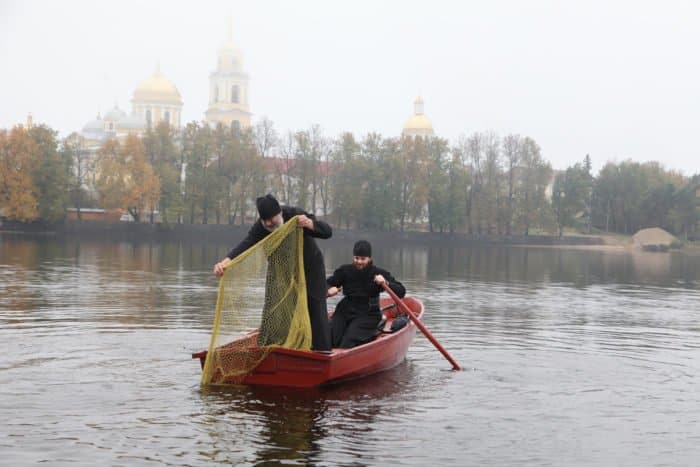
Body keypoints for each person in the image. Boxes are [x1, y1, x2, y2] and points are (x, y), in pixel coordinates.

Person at [213, 194, 332, 351]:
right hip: (283, 272)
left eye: (272, 219)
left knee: (315, 307)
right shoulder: (262, 227)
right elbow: (247, 243)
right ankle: (274, 349)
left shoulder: (295, 214)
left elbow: (327, 232)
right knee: (276, 309)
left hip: (310, 268)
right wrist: (226, 262)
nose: (269, 223)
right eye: (265, 220)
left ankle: (322, 351)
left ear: (280, 213)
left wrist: (310, 224)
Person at [326, 240, 406, 348]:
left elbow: (401, 292)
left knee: (348, 341)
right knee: (330, 339)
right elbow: (327, 283)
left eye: (363, 259)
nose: (359, 261)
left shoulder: (378, 273)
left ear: (369, 258)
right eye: (356, 258)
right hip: (345, 310)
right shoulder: (344, 270)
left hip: (368, 313)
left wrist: (385, 283)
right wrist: (328, 290)